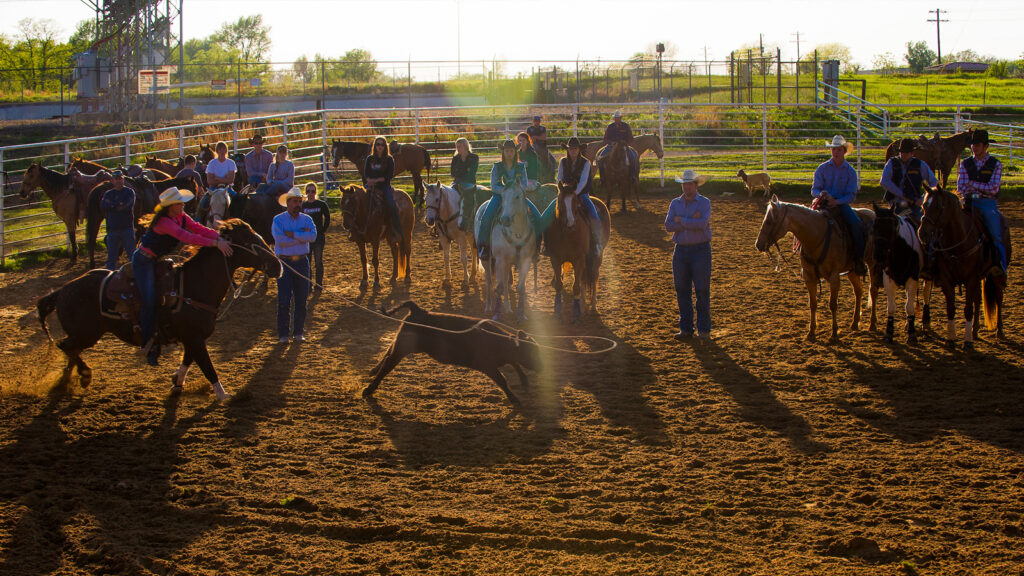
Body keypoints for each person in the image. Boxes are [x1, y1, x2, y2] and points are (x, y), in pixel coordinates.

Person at [132, 187, 232, 372]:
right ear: (171, 206)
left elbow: (198, 228)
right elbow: (186, 237)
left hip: (156, 260)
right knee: (148, 299)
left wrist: (219, 236)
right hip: (144, 262)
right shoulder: (164, 222)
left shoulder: (181, 217)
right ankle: (148, 342)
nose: (182, 205)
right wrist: (215, 243)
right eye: (179, 203)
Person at [665, 170, 712, 341]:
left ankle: (703, 330)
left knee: (702, 291)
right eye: (684, 184)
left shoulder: (704, 203)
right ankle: (686, 329)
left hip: (700, 250)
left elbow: (702, 224)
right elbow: (668, 225)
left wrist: (681, 220)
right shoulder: (676, 202)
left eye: (689, 184)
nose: (686, 187)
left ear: (695, 185)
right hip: (682, 250)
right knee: (682, 290)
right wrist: (690, 220)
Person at [477, 139, 543, 259]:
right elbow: (493, 186)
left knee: (538, 218)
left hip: (517, 197)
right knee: (486, 217)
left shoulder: (521, 166)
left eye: (511, 151)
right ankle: (483, 247)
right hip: (499, 196)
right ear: (503, 152)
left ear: (515, 152)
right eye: (507, 151)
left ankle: (536, 249)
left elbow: (524, 183)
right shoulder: (497, 167)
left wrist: (515, 192)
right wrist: (506, 192)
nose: (509, 153)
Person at [812, 134, 866, 276]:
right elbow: (814, 189)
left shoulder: (850, 172)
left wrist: (837, 201)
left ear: (844, 151)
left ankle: (859, 258)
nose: (835, 152)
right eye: (833, 149)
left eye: (838, 150)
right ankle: (806, 258)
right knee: (806, 222)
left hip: (840, 205)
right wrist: (822, 194)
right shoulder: (822, 168)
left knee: (856, 224)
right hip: (823, 204)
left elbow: (851, 195)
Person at [957, 129, 1007, 275]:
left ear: (986, 146)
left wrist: (972, 185)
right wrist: (979, 187)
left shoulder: (995, 164)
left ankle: (1001, 268)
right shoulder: (965, 163)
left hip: (987, 203)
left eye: (977, 145)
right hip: (968, 202)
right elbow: (961, 187)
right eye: (973, 144)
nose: (974, 147)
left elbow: (993, 189)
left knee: (996, 234)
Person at [272, 187, 317, 343]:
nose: (298, 204)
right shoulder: (278, 220)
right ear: (288, 203)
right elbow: (280, 241)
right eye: (295, 201)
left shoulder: (307, 220)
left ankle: (298, 332)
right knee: (284, 300)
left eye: (300, 201)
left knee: (301, 300)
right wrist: (301, 236)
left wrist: (293, 234)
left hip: (302, 262)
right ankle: (283, 335)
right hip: (284, 262)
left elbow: (312, 236)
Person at [555, 137, 602, 254]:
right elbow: (559, 178)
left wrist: (573, 194)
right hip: (565, 193)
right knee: (549, 214)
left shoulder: (586, 163)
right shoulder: (563, 161)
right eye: (571, 149)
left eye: (575, 149)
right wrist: (563, 191)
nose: (573, 151)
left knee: (593, 214)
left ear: (579, 150)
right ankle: (548, 243)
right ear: (568, 150)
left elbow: (583, 182)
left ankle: (598, 242)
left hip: (580, 194)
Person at [880, 138, 937, 224]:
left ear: (912, 153)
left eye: (906, 152)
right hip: (895, 203)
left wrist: (923, 198)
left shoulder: (920, 165)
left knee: (924, 224)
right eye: (902, 152)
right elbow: (884, 181)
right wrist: (901, 194)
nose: (903, 154)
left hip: (914, 204)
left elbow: (934, 183)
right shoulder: (892, 162)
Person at [363, 136, 403, 243]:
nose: (379, 147)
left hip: (384, 186)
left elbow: (389, 175)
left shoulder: (389, 159)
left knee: (391, 204)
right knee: (360, 200)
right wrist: (369, 180)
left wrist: (376, 180)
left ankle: (397, 230)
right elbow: (366, 173)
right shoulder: (369, 159)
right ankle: (357, 229)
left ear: (385, 147)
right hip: (371, 185)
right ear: (375, 146)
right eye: (377, 144)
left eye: (382, 145)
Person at [101, 170, 136, 270]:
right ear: (112, 181)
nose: (118, 181)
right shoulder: (108, 193)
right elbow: (103, 206)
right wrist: (118, 204)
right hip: (113, 229)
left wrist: (112, 204)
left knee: (132, 256)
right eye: (116, 179)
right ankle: (109, 276)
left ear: (123, 179)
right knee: (111, 258)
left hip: (126, 228)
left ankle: (136, 273)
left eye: (120, 178)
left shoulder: (129, 192)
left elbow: (127, 206)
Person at [301, 182, 331, 292]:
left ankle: (319, 285)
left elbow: (327, 218)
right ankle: (308, 285)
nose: (310, 193)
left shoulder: (321, 204)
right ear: (305, 193)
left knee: (318, 262)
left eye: (312, 191)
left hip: (318, 238)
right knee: (307, 262)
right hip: (306, 238)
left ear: (315, 192)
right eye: (308, 191)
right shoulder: (303, 206)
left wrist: (322, 230)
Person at [450, 137, 480, 231]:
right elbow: (452, 173)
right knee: (448, 196)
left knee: (469, 198)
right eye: (457, 147)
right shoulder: (455, 158)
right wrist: (465, 170)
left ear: (465, 146)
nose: (458, 149)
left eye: (459, 147)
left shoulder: (474, 157)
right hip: (457, 182)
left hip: (469, 183)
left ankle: (470, 218)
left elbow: (471, 173)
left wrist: (460, 172)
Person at [597, 110, 638, 176]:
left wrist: (625, 142)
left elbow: (631, 138)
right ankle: (602, 178)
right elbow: (605, 138)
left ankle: (633, 176)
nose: (616, 119)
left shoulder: (626, 126)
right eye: (615, 118)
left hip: (623, 147)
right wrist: (611, 142)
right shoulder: (610, 127)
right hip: (611, 146)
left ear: (620, 118)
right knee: (600, 158)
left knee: (633, 158)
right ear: (614, 118)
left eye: (618, 118)